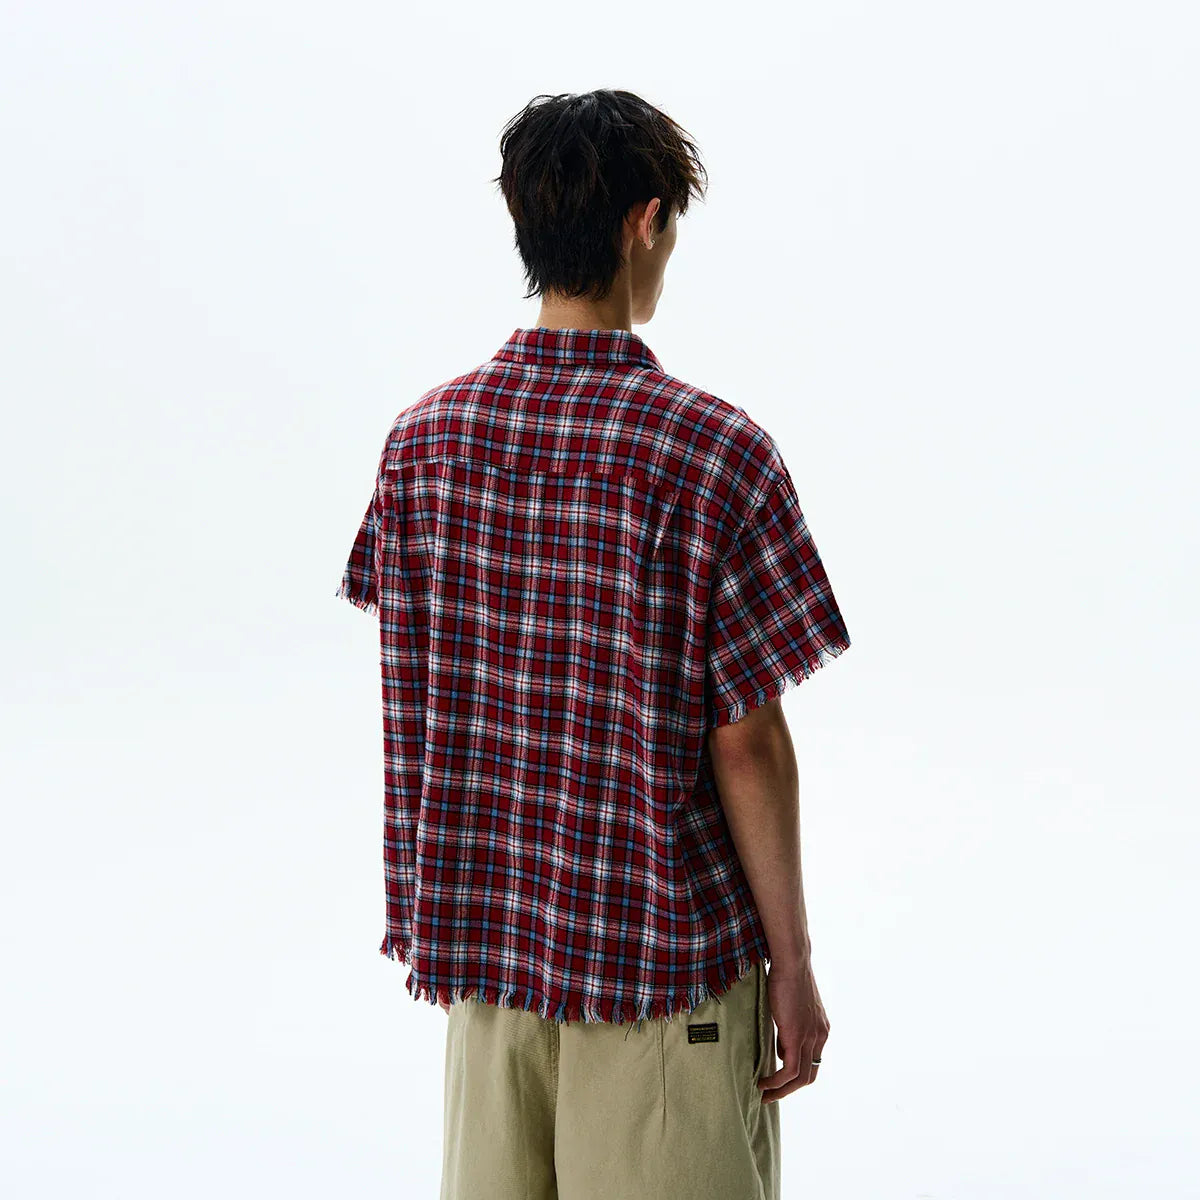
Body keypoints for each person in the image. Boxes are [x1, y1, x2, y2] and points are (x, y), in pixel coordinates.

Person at [336, 88, 852, 1200]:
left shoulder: (422, 443)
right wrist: (795, 966)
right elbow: (747, 743)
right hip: (663, 980)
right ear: (645, 221)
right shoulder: (713, 453)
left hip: (491, 975)